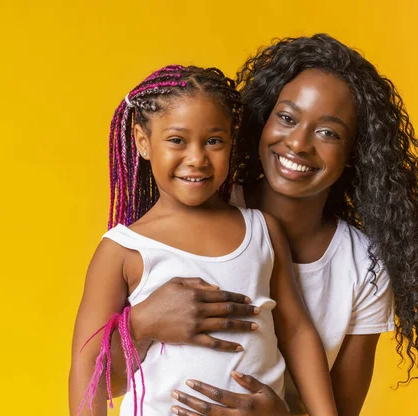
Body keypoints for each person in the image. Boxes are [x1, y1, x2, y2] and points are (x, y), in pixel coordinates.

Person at [110, 34, 418, 416]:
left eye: (328, 132)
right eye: (286, 117)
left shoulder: (365, 266)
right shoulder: (194, 202)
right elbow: (109, 384)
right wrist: (141, 325)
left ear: (353, 152)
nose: (298, 143)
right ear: (263, 121)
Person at [68, 65, 339, 416]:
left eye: (214, 141)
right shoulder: (124, 249)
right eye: (177, 140)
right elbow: (87, 365)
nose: (196, 159)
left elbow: (297, 331)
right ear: (142, 142)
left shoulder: (263, 231)